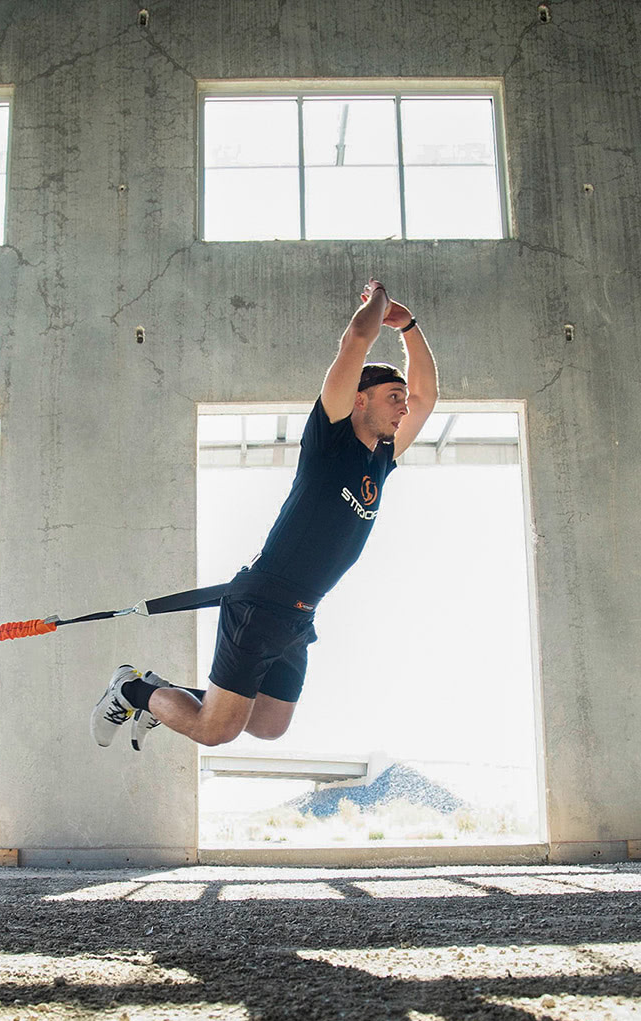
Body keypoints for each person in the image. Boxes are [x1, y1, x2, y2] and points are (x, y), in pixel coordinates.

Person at [91, 279, 438, 751]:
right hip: (262, 605)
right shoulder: (329, 439)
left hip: (300, 613)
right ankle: (133, 690)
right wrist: (382, 302)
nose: (405, 407)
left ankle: (161, 695)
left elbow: (428, 397)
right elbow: (356, 339)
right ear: (360, 399)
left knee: (269, 723)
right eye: (393, 397)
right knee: (216, 731)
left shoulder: (381, 459)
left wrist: (412, 327)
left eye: (403, 399)